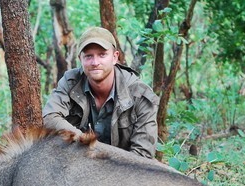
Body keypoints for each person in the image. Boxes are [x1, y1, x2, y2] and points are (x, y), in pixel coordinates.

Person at [42, 26, 159, 159]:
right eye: (88, 56)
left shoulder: (139, 94)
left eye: (102, 55)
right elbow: (50, 117)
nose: (95, 62)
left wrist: (101, 156)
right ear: (80, 59)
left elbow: (143, 155)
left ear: (115, 57)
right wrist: (86, 142)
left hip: (123, 170)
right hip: (80, 162)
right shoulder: (71, 82)